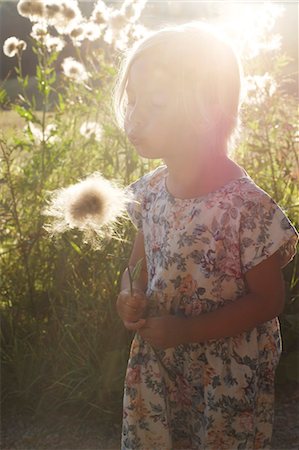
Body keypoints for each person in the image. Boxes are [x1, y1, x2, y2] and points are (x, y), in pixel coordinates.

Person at [114, 22, 298, 449]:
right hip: (160, 367)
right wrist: (129, 297)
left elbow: (269, 300)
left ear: (208, 107)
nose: (135, 114)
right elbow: (135, 269)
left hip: (226, 378)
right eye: (133, 99)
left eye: (155, 102)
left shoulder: (245, 206)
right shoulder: (149, 192)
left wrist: (186, 331)